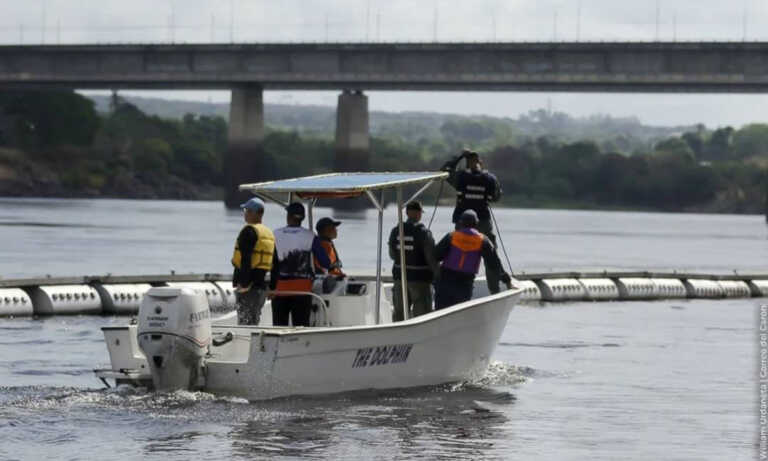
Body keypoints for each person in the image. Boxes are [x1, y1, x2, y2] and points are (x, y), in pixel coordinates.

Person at [441, 149, 504, 294]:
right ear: (480, 162)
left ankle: (454, 288)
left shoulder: (461, 177)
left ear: (467, 163)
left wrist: (459, 156)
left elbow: (445, 170)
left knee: (457, 254)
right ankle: (494, 291)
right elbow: (496, 197)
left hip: (463, 225)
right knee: (491, 257)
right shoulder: (490, 179)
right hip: (483, 222)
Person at [434, 210, 512, 310]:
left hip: (446, 280)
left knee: (440, 311)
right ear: (476, 224)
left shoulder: (451, 237)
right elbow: (494, 264)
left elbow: (436, 256)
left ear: (461, 223)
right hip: (465, 284)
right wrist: (505, 278)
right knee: (459, 312)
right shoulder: (483, 240)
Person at [270, 202, 332, 327]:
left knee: (278, 328)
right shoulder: (310, 236)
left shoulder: (275, 234)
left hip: (280, 290)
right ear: (302, 218)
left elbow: (271, 262)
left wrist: (271, 287)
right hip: (303, 290)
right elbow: (325, 263)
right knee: (301, 328)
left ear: (288, 216)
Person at [388, 200, 439, 321]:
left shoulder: (396, 230)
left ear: (407, 213)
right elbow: (431, 258)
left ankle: (398, 338)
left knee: (399, 313)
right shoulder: (424, 233)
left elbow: (392, 255)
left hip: (399, 278)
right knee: (422, 316)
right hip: (419, 280)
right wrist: (438, 275)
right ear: (418, 213)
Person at [231, 197, 275, 325]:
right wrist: (273, 287)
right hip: (261, 286)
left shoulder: (249, 231)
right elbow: (275, 262)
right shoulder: (268, 233)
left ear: (255, 212)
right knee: (254, 319)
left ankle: (246, 344)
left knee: (245, 321)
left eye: (246, 210)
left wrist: (244, 284)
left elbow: (246, 259)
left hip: (248, 287)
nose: (245, 213)